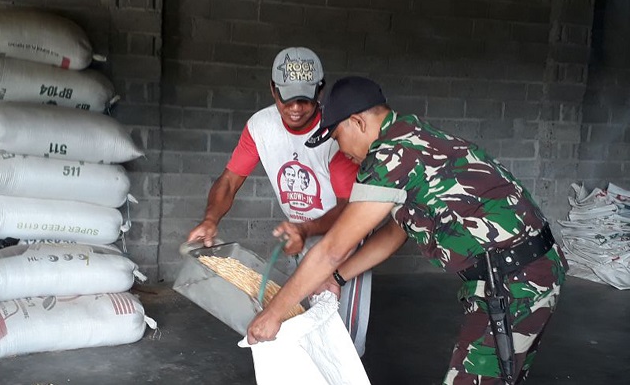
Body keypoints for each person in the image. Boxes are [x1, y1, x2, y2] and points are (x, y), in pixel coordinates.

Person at [246, 76, 569, 384]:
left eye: (337, 137)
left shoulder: (389, 156)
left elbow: (332, 249)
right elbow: (393, 233)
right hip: (529, 270)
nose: (341, 150)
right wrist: (337, 278)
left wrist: (273, 314)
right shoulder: (414, 135)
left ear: (357, 122)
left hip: (515, 282)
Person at [187, 48, 372, 356]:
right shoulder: (261, 126)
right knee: (299, 325)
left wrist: (307, 228)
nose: (296, 108)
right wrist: (210, 220)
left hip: (344, 238)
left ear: (321, 91)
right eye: (286, 98)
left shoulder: (335, 131)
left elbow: (349, 207)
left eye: (306, 98)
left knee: (340, 339)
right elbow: (230, 181)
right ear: (272, 88)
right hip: (300, 236)